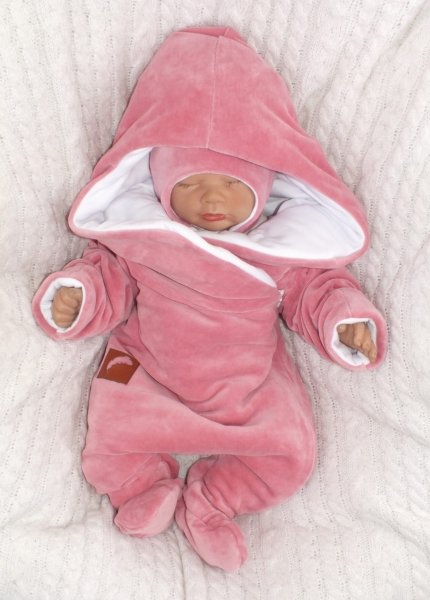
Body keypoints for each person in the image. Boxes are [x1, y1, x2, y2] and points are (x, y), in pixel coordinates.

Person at [32, 26, 387, 572]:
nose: (212, 198)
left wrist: (345, 321)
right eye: (192, 184)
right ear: (159, 182)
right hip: (147, 372)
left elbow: (316, 290)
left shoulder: (277, 248)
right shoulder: (145, 237)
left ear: (265, 187)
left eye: (232, 184)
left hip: (248, 390)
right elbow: (109, 276)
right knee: (109, 434)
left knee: (291, 455)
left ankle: (213, 499)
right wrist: (77, 296)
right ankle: (140, 486)